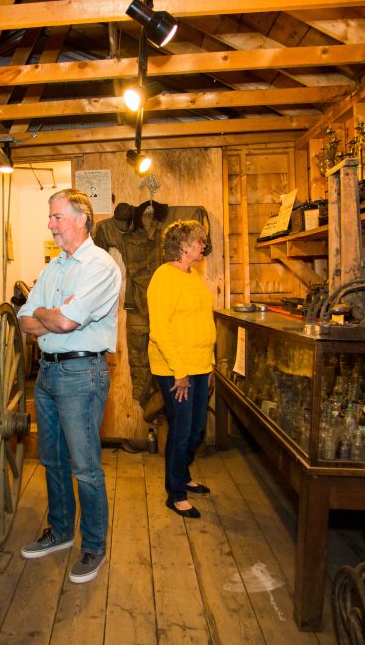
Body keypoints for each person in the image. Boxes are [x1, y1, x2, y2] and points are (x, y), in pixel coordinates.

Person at [17, 189, 121, 584]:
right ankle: (61, 532)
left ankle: (93, 545)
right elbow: (25, 319)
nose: (50, 225)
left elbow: (66, 322)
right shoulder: (54, 268)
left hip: (81, 374)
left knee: (85, 467)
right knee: (52, 460)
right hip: (46, 373)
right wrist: (52, 313)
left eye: (57, 217)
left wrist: (49, 315)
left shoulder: (100, 266)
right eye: (51, 217)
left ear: (81, 220)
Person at [147, 220, 216, 518]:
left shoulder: (192, 276)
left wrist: (209, 365)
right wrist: (180, 371)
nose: (203, 245)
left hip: (199, 365)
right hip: (175, 369)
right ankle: (175, 493)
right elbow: (160, 331)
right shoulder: (163, 278)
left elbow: (203, 322)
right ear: (184, 246)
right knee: (182, 429)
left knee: (197, 427)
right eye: (199, 241)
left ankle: (183, 474)